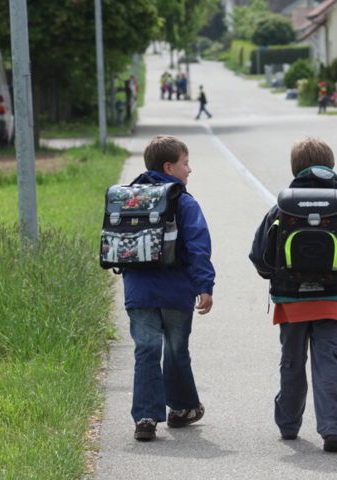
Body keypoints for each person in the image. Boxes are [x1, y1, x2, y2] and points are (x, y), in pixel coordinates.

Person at [249, 138, 337, 453]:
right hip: (332, 302)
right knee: (329, 363)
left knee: (291, 363)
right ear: (330, 166)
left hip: (291, 303)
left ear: (295, 169)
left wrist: (275, 275)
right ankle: (333, 430)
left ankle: (289, 426)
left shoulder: (283, 205)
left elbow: (259, 254)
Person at [123, 135, 216, 442]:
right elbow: (198, 247)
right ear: (169, 167)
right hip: (176, 291)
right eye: (185, 163)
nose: (190, 170)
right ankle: (181, 408)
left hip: (139, 290)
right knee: (176, 350)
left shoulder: (129, 198)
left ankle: (146, 417)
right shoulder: (184, 202)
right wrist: (205, 285)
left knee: (146, 350)